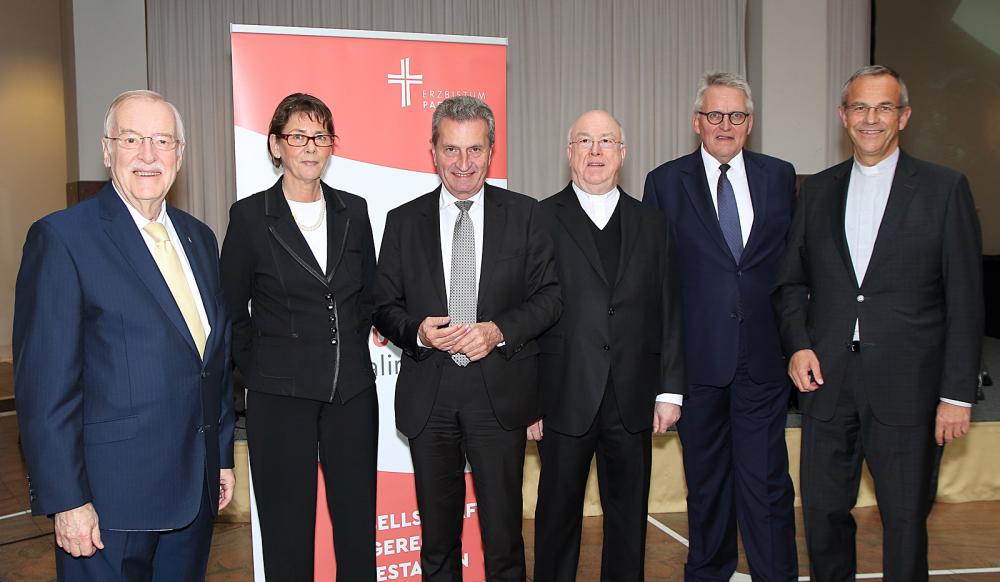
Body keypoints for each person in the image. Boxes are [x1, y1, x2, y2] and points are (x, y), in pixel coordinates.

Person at [13, 90, 234, 581]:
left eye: (162, 140)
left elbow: (211, 360)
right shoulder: (63, 239)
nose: (149, 155)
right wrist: (68, 500)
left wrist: (219, 457)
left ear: (181, 152)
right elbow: (45, 388)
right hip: (108, 507)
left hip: (192, 494)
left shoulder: (200, 239)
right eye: (132, 139)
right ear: (107, 150)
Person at [772, 65, 982, 581]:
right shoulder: (817, 190)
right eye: (860, 107)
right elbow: (790, 283)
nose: (871, 118)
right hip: (827, 383)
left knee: (905, 520)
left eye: (884, 107)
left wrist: (956, 395)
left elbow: (966, 301)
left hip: (909, 388)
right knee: (821, 514)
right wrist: (798, 345)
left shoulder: (944, 188)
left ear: (904, 116)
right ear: (844, 116)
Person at [373, 95, 561, 581]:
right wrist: (417, 331)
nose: (463, 163)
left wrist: (499, 331)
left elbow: (550, 298)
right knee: (437, 544)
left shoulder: (526, 215)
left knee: (503, 543)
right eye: (451, 150)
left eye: (474, 150)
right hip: (429, 401)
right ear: (433, 150)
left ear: (491, 150)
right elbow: (382, 305)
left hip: (498, 400)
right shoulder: (401, 221)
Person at [644, 72, 798, 581]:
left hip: (762, 358)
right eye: (715, 115)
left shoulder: (780, 176)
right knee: (706, 484)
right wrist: (662, 373)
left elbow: (791, 270)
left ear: (749, 123)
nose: (725, 125)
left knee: (767, 483)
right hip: (697, 362)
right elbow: (656, 283)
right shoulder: (665, 183)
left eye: (735, 115)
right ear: (697, 122)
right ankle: (708, 572)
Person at [220, 93, 378, 580]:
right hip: (279, 396)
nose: (310, 147)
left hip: (350, 394)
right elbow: (229, 312)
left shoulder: (355, 210)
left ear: (331, 146)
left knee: (356, 533)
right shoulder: (249, 218)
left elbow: (367, 300)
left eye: (321, 136)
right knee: (288, 536)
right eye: (298, 137)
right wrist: (264, 367)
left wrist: (345, 353)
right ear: (275, 145)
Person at [530, 110, 685, 581]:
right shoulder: (538, 218)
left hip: (633, 397)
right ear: (569, 152)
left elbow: (670, 308)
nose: (595, 152)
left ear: (623, 152)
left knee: (628, 522)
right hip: (562, 398)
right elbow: (525, 312)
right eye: (585, 142)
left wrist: (670, 390)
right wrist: (528, 401)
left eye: (606, 142)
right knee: (556, 520)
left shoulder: (653, 223)